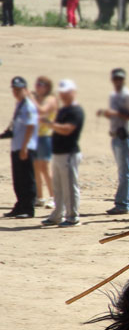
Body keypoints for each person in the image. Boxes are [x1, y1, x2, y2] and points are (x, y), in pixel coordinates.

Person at [98, 68, 129, 215]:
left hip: (125, 136)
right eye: (116, 79)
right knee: (125, 170)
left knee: (124, 172)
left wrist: (116, 113)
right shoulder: (113, 96)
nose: (118, 81)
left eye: (120, 79)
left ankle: (122, 204)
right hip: (117, 136)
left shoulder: (128, 96)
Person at [41, 80, 84, 227]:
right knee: (58, 187)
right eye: (62, 92)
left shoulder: (76, 111)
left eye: (67, 92)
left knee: (70, 187)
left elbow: (68, 129)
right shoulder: (64, 110)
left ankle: (73, 216)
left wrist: (50, 124)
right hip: (59, 153)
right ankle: (57, 214)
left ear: (73, 92)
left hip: (69, 153)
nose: (64, 95)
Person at [1, 77, 38, 218]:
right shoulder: (20, 104)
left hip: (26, 147)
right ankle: (20, 206)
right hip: (17, 146)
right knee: (18, 179)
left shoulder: (28, 105)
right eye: (14, 90)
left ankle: (28, 208)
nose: (16, 92)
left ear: (26, 90)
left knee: (27, 179)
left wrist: (24, 147)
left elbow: (31, 126)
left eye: (19, 90)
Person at [30, 77, 57, 209]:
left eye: (41, 84)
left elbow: (42, 111)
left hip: (45, 136)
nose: (38, 86)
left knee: (45, 168)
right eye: (37, 84)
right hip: (35, 136)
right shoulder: (37, 99)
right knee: (35, 168)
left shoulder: (50, 99)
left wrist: (32, 99)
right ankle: (39, 196)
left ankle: (53, 196)